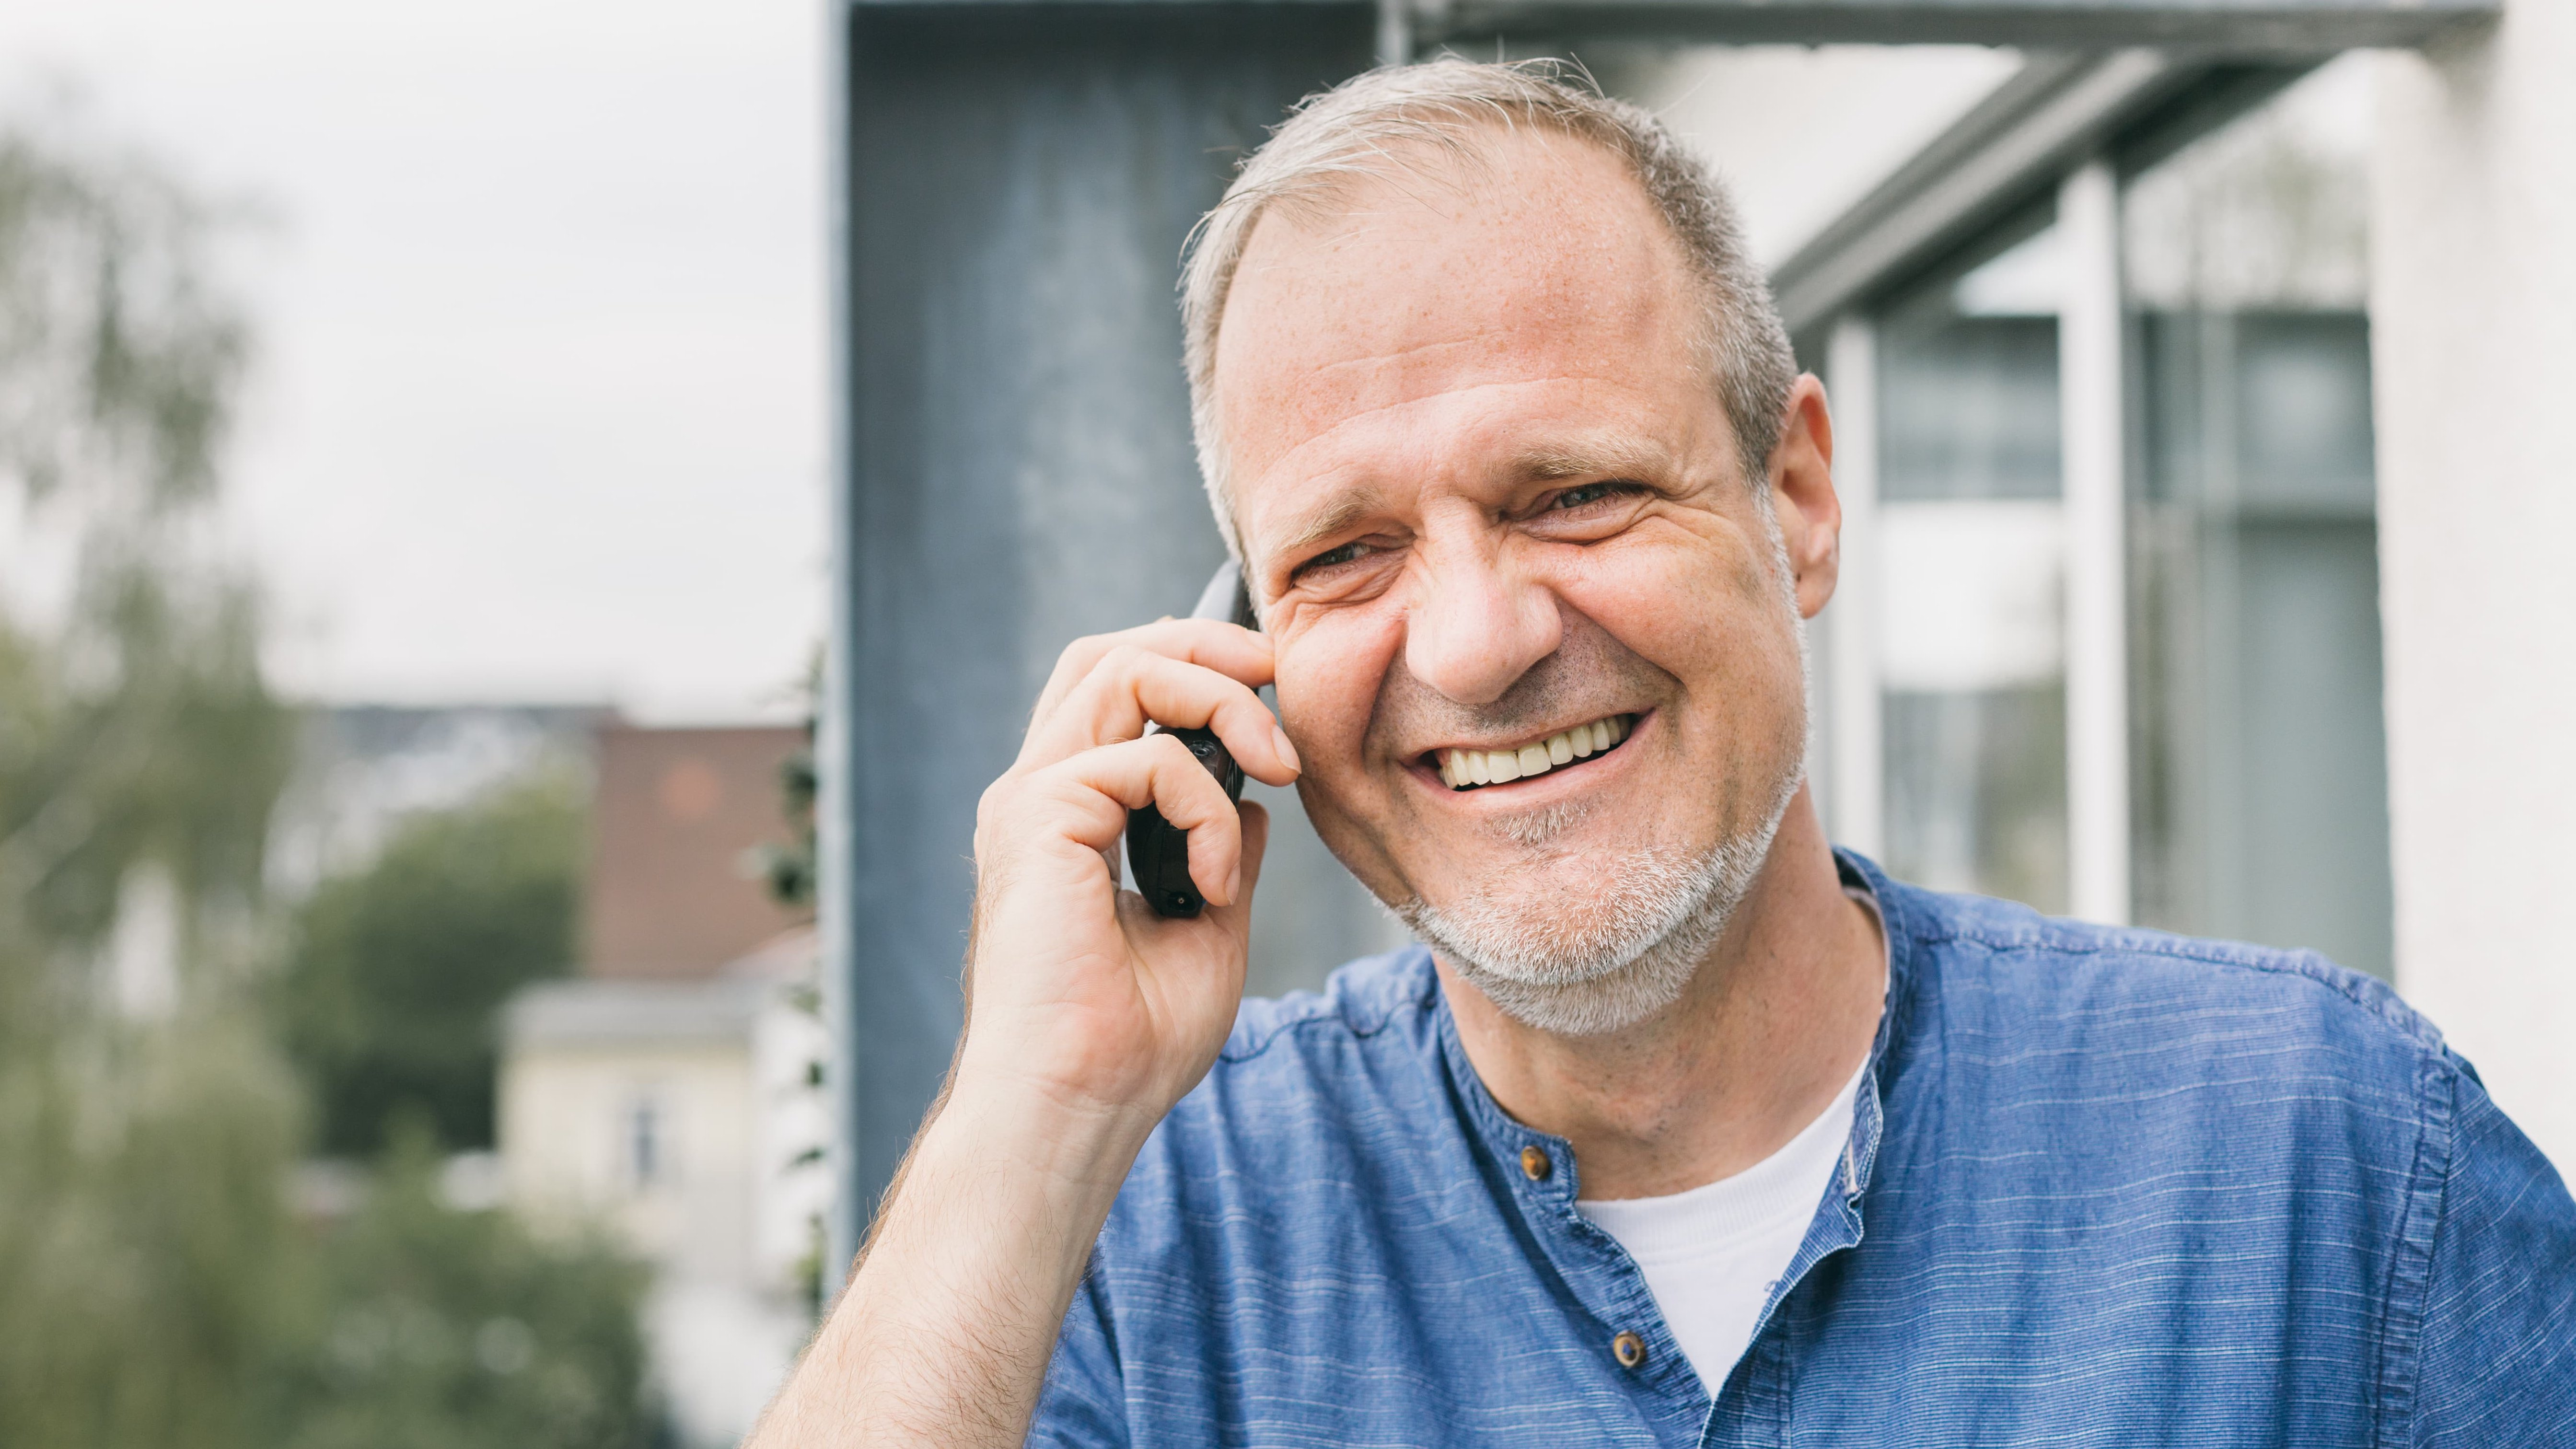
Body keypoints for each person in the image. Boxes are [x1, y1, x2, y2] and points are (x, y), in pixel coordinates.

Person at [751, 59, 2576, 1447]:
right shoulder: (1145, 1243)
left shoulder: (2328, 1162)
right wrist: (1032, 1109)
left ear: (1796, 500)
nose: (1475, 641)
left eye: (1578, 494)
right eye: (1345, 557)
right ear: (1243, 652)